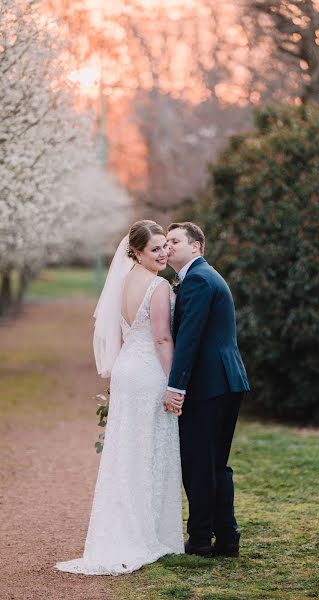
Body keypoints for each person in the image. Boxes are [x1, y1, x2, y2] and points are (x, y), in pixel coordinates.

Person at [55, 220, 184, 576]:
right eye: (154, 249)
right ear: (137, 253)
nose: (162, 254)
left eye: (164, 247)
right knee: (149, 449)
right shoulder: (158, 286)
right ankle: (149, 534)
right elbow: (161, 338)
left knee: (127, 450)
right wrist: (176, 383)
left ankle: (125, 528)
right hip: (148, 374)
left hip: (128, 369)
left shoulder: (125, 281)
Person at [165, 222, 250, 558]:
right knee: (216, 464)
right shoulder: (201, 277)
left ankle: (200, 540)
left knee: (199, 463)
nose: (168, 247)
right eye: (166, 241)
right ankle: (227, 538)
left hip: (210, 384)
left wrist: (175, 386)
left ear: (196, 246)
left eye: (174, 241)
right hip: (225, 381)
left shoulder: (198, 279)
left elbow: (190, 337)